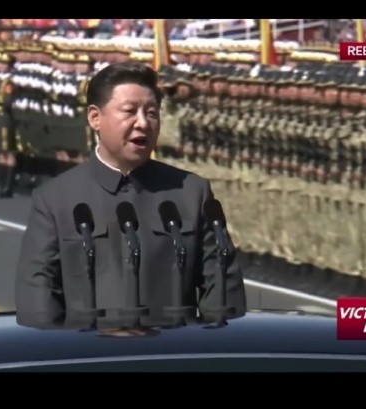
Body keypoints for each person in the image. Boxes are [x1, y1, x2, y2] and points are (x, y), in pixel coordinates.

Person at [15, 62, 247, 328]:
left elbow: (223, 292)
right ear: (95, 118)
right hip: (87, 349)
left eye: (151, 113)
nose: (143, 123)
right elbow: (38, 302)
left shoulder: (190, 192)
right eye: (129, 111)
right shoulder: (56, 199)